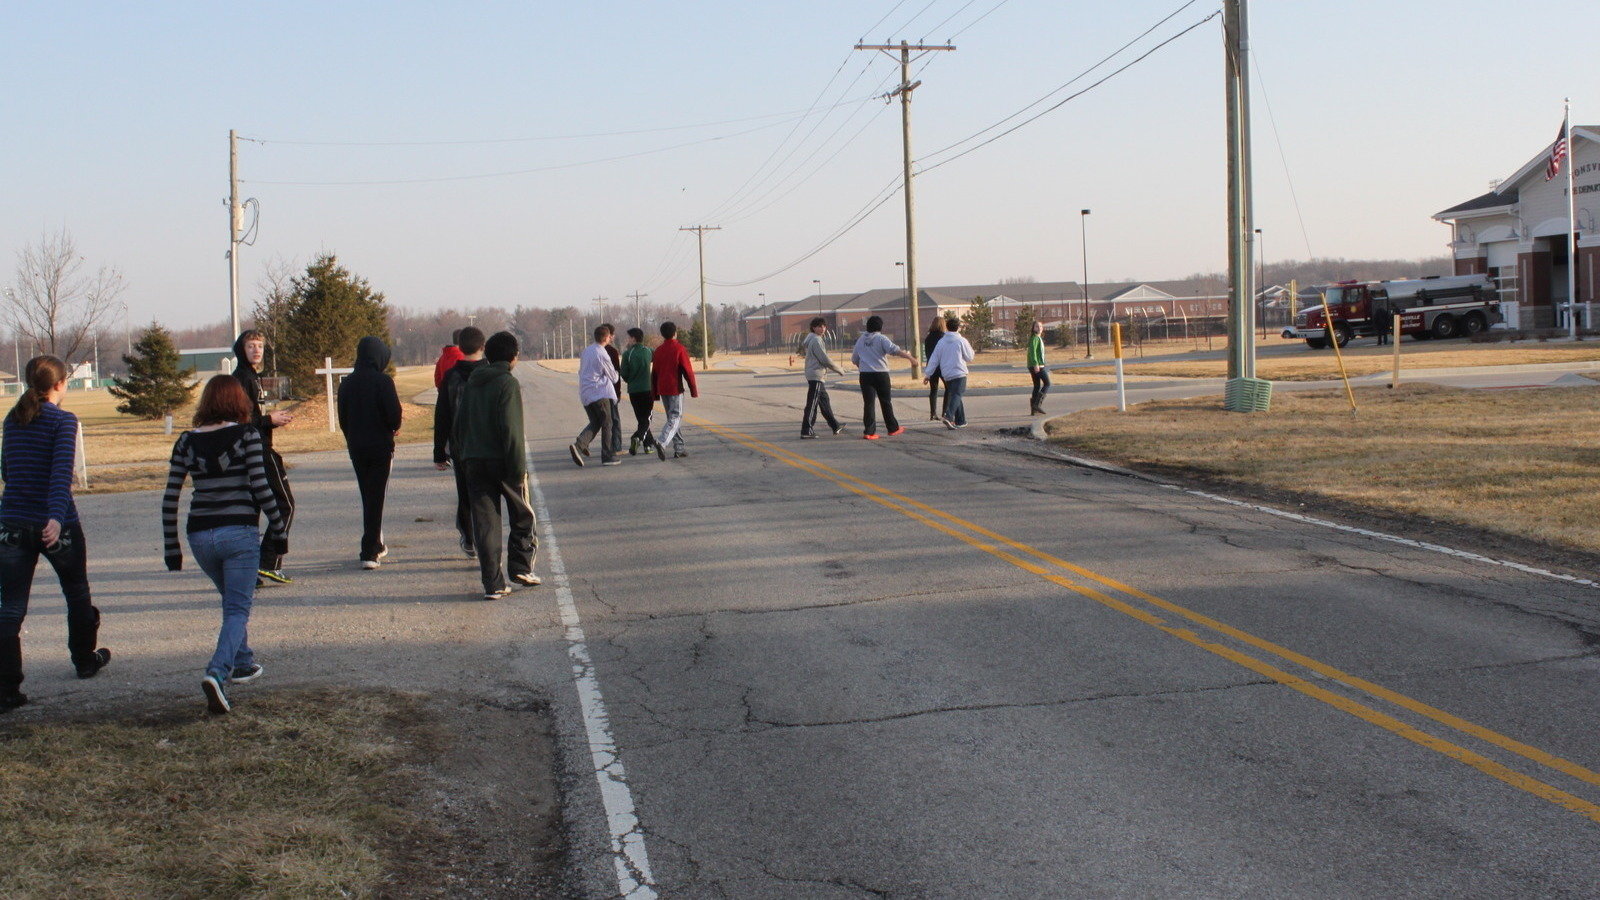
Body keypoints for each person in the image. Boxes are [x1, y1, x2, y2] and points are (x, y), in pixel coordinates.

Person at [162, 374, 288, 715]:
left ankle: (243, 661)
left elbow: (170, 497)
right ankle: (217, 673)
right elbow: (262, 488)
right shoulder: (248, 435)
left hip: (200, 535)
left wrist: (171, 548)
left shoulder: (186, 441)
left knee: (231, 600)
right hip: (239, 533)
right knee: (237, 608)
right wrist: (279, 530)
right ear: (239, 403)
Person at [0, 357, 110, 713]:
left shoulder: (11, 420)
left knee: (11, 607)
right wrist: (54, 518)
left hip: (12, 523)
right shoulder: (64, 420)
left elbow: (6, 470)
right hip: (56, 523)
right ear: (61, 384)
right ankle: (83, 660)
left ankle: (7, 689)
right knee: (76, 591)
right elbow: (61, 474)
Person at [454, 331, 539, 599]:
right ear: (513, 356)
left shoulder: (473, 381)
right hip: (502, 460)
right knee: (523, 514)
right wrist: (517, 468)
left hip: (473, 461)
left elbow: (459, 424)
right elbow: (511, 430)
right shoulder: (507, 383)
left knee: (486, 525)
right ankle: (521, 566)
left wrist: (463, 455)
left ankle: (493, 583)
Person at [231, 330, 295, 586]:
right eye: (251, 346)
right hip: (257, 451)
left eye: (260, 346)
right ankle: (268, 562)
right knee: (284, 505)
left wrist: (271, 421)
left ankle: (249, 570)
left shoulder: (253, 378)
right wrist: (270, 420)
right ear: (241, 349)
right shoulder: (241, 379)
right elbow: (240, 421)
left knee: (253, 510)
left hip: (260, 445)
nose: (256, 350)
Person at [337, 336, 403, 569]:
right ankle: (370, 549)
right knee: (377, 497)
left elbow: (342, 418)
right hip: (381, 447)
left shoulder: (346, 383)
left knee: (368, 495)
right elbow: (394, 415)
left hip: (356, 447)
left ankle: (375, 543)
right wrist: (392, 429)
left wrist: (352, 438)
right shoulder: (383, 382)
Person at [433, 326, 486, 558]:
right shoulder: (489, 374)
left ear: (460, 348)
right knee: (485, 494)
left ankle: (469, 536)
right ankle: (484, 535)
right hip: (486, 444)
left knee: (465, 493)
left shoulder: (451, 377)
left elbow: (442, 416)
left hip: (460, 444)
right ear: (482, 347)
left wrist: (439, 451)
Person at [851, 315, 916, 440]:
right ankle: (892, 428)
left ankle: (869, 431)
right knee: (885, 402)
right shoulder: (881, 338)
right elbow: (895, 350)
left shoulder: (860, 340)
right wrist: (910, 358)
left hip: (865, 375)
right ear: (880, 326)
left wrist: (862, 367)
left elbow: (854, 359)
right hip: (881, 374)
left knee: (868, 403)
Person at [571, 325, 621, 467]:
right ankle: (607, 456)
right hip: (599, 393)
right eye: (609, 336)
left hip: (585, 393)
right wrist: (617, 374)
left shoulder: (587, 351)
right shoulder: (602, 353)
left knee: (596, 422)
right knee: (607, 423)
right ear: (606, 337)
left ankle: (580, 445)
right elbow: (613, 377)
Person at [650, 321, 698, 460]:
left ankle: (679, 448)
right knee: (675, 417)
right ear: (675, 333)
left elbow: (654, 373)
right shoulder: (679, 349)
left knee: (672, 418)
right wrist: (693, 389)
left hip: (662, 389)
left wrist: (655, 392)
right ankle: (662, 441)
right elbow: (687, 371)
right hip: (675, 388)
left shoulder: (658, 350)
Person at [799, 316, 845, 438]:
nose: (822, 328)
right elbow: (824, 359)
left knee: (824, 401)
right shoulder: (816, 340)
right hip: (816, 374)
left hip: (815, 374)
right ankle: (806, 430)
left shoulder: (812, 339)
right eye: (819, 326)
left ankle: (835, 425)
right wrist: (838, 369)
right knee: (812, 403)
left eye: (824, 326)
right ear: (813, 328)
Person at [925, 317, 975, 429]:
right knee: (957, 394)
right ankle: (948, 416)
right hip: (959, 372)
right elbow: (969, 357)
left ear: (947, 327)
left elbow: (934, 359)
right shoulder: (961, 341)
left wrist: (928, 374)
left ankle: (961, 421)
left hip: (947, 374)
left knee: (955, 395)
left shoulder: (941, 342)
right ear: (958, 327)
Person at [619, 327, 657, 456]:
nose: (627, 340)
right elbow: (656, 358)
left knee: (642, 419)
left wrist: (631, 380)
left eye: (629, 337)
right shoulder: (648, 351)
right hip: (647, 389)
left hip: (634, 391)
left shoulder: (627, 354)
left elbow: (623, 373)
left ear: (634, 338)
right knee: (646, 419)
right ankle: (638, 437)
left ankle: (648, 445)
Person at [600, 324, 625, 458]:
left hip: (597, 392)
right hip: (610, 391)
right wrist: (618, 392)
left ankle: (582, 443)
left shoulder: (591, 350)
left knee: (599, 420)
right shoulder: (612, 351)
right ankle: (616, 446)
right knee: (614, 420)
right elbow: (616, 375)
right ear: (609, 335)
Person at [923, 317, 947, 421]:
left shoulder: (928, 337)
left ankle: (933, 413)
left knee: (933, 390)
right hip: (942, 366)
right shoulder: (943, 337)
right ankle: (945, 412)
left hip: (931, 365)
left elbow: (928, 353)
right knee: (949, 389)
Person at [1026, 319, 1050, 415]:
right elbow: (1033, 353)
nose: (1039, 328)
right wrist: (1036, 364)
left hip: (1036, 365)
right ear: (1033, 328)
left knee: (1037, 386)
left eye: (1040, 326)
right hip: (1037, 365)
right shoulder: (1034, 338)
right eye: (1037, 326)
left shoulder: (1037, 338)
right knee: (1047, 383)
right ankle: (1037, 405)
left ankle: (1033, 410)